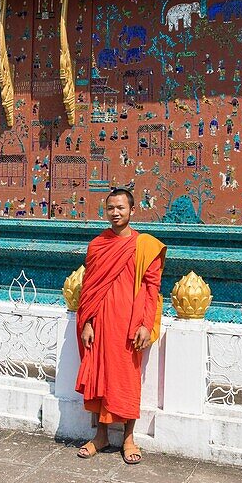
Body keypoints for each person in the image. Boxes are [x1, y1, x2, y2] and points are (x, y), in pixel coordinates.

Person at [75, 188, 166, 465]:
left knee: (127, 379)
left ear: (132, 211)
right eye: (110, 208)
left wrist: (145, 324)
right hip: (101, 321)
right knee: (99, 377)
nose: (115, 213)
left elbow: (152, 289)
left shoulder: (145, 245)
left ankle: (128, 438)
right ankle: (100, 436)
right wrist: (88, 322)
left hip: (129, 323)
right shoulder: (97, 245)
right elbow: (90, 288)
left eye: (121, 208)